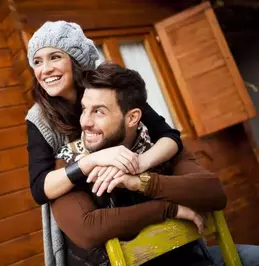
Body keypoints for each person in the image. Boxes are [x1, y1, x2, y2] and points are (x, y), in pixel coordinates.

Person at [51, 63, 259, 266]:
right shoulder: (70, 163)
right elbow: (88, 229)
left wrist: (139, 182)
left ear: (132, 118)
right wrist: (167, 209)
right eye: (84, 109)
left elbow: (214, 193)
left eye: (99, 111)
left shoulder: (160, 148)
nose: (85, 122)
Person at [26, 21, 182, 265]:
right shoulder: (39, 118)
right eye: (37, 61)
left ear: (76, 61)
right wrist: (93, 160)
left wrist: (138, 163)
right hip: (94, 233)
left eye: (54, 57)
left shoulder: (111, 89)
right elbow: (39, 188)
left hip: (140, 207)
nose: (45, 69)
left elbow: (170, 137)